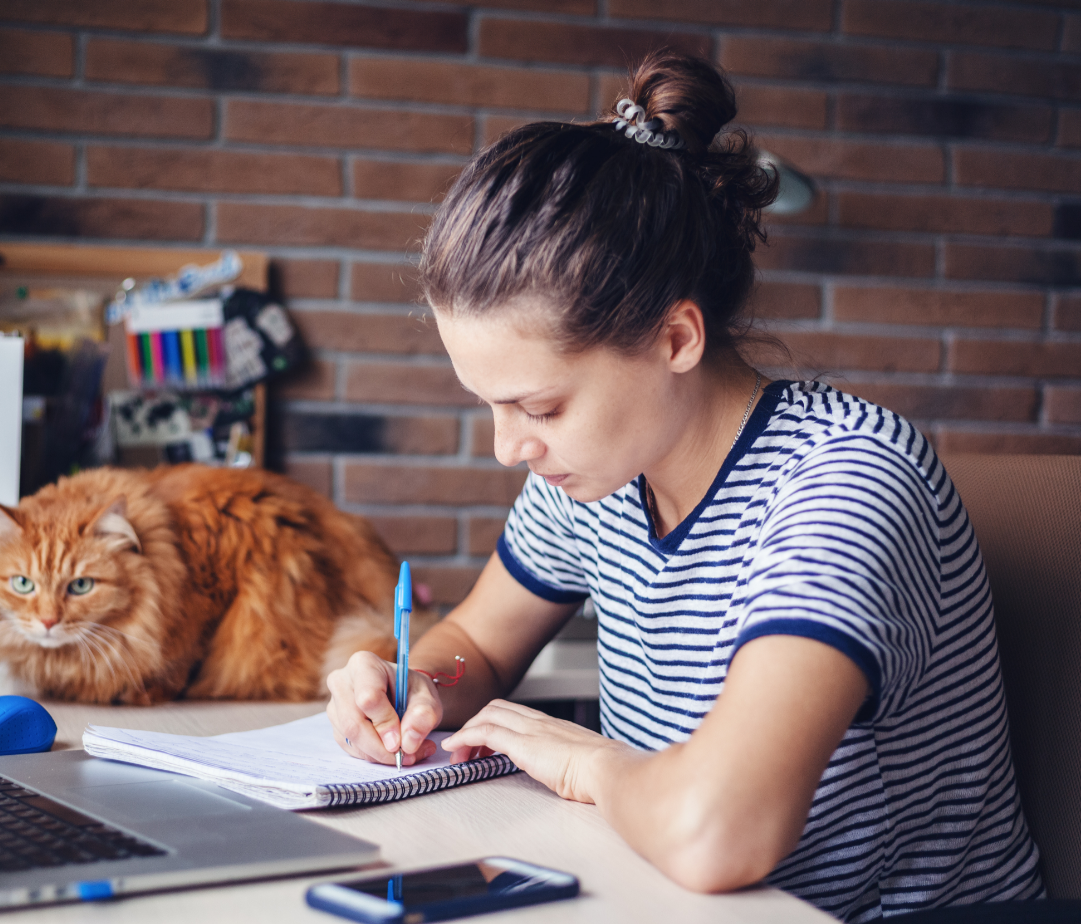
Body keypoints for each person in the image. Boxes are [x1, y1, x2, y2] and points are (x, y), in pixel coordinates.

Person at [325, 51, 1043, 922]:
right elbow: (480, 636)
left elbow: (719, 833)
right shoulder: (592, 475)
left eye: (538, 407)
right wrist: (415, 682)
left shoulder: (846, 482)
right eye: (489, 405)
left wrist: (583, 761)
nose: (509, 447)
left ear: (675, 340)